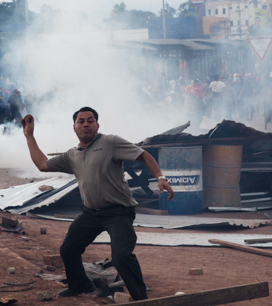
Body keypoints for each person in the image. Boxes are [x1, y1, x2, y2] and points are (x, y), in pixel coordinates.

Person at [21, 107, 173, 301]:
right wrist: (29, 136)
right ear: (74, 128)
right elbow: (42, 164)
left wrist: (160, 177)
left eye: (90, 121)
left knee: (121, 257)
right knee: (68, 248)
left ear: (97, 125)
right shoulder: (72, 155)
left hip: (119, 212)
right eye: (81, 121)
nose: (86, 124)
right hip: (91, 213)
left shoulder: (110, 143)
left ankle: (141, 298)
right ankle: (80, 285)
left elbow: (142, 154)